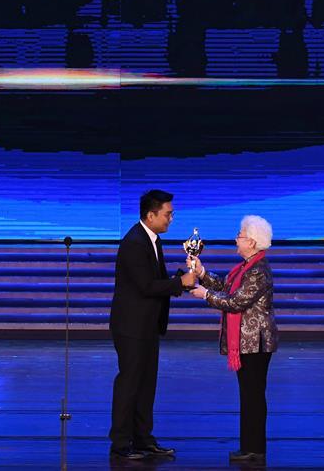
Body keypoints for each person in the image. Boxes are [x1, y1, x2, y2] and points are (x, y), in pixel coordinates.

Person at [108, 190, 197, 460]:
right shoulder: (135, 242)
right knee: (130, 384)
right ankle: (121, 444)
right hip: (132, 327)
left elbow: (155, 280)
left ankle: (143, 440)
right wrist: (180, 283)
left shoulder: (152, 240)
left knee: (146, 386)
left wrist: (182, 278)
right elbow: (146, 286)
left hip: (147, 326)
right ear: (150, 215)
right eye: (168, 214)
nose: (171, 218)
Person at [189, 215, 277, 464]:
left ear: (251, 242)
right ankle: (249, 446)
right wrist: (201, 272)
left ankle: (254, 448)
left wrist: (205, 295)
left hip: (255, 343)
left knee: (253, 395)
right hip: (248, 342)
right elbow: (226, 286)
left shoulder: (258, 271)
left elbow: (236, 301)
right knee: (248, 395)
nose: (236, 239)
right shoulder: (246, 267)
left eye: (240, 235)